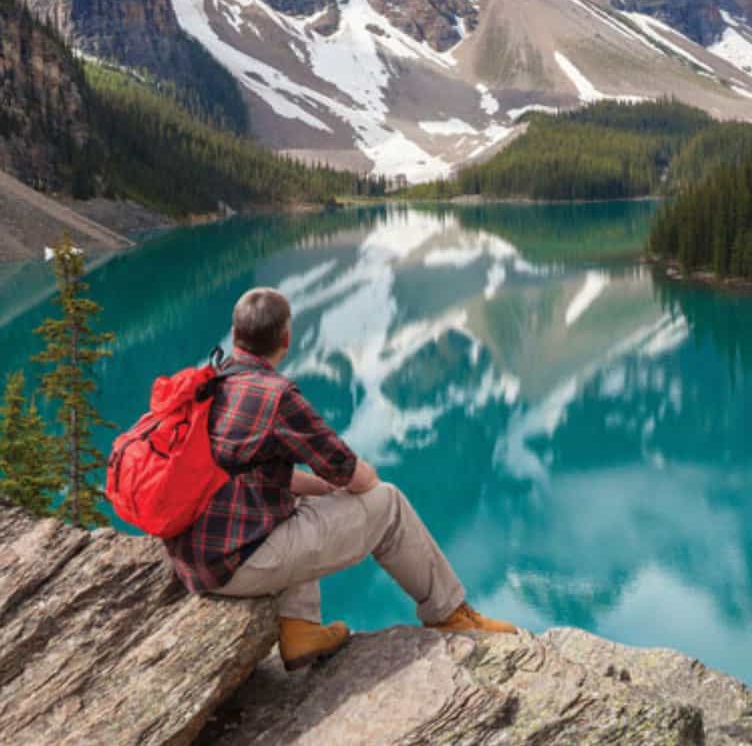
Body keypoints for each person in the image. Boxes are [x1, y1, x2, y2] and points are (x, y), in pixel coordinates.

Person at [164, 287, 516, 671]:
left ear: (235, 335)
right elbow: (355, 475)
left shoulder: (212, 384)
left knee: (299, 505)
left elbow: (250, 475)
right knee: (390, 504)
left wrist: (322, 489)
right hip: (235, 566)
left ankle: (300, 629)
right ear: (286, 339)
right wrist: (356, 484)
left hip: (192, 558)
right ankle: (449, 614)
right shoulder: (276, 397)